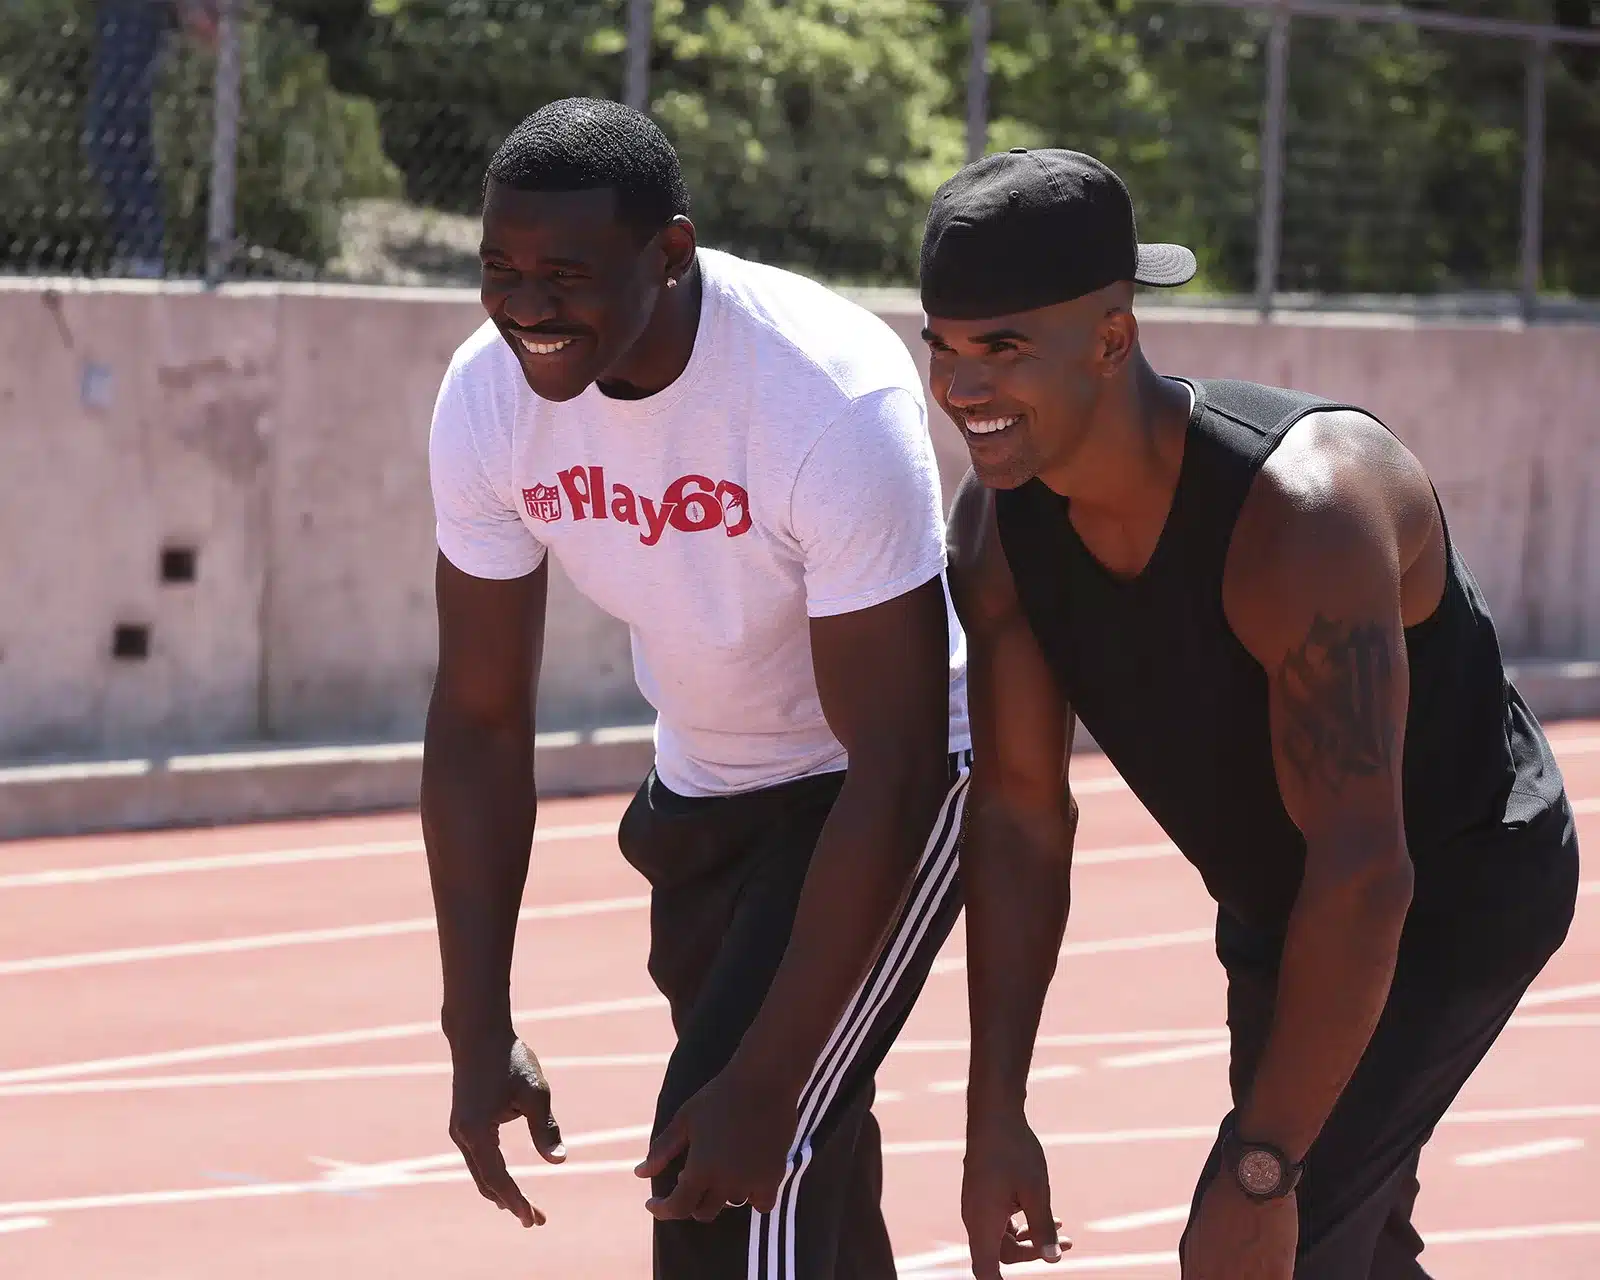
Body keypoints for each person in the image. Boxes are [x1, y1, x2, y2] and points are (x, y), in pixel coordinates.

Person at [925, 148, 1581, 1279]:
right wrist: (996, 1113)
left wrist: (1264, 1162)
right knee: (1338, 1251)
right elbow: (1021, 816)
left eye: (1002, 349)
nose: (959, 386)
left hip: (1458, 881)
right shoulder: (999, 533)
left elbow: (1367, 870)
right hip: (1285, 901)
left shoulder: (1302, 512)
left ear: (1113, 339)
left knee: (1263, 1240)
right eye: (941, 346)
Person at [422, 98, 972, 1280]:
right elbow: (477, 718)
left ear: (669, 253)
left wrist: (768, 1078)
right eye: (500, 269)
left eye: (566, 274)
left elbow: (897, 761)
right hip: (701, 788)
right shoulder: (486, 397)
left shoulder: (822, 394)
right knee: (809, 1191)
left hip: (878, 786)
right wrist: (475, 1022)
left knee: (723, 1175)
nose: (527, 306)